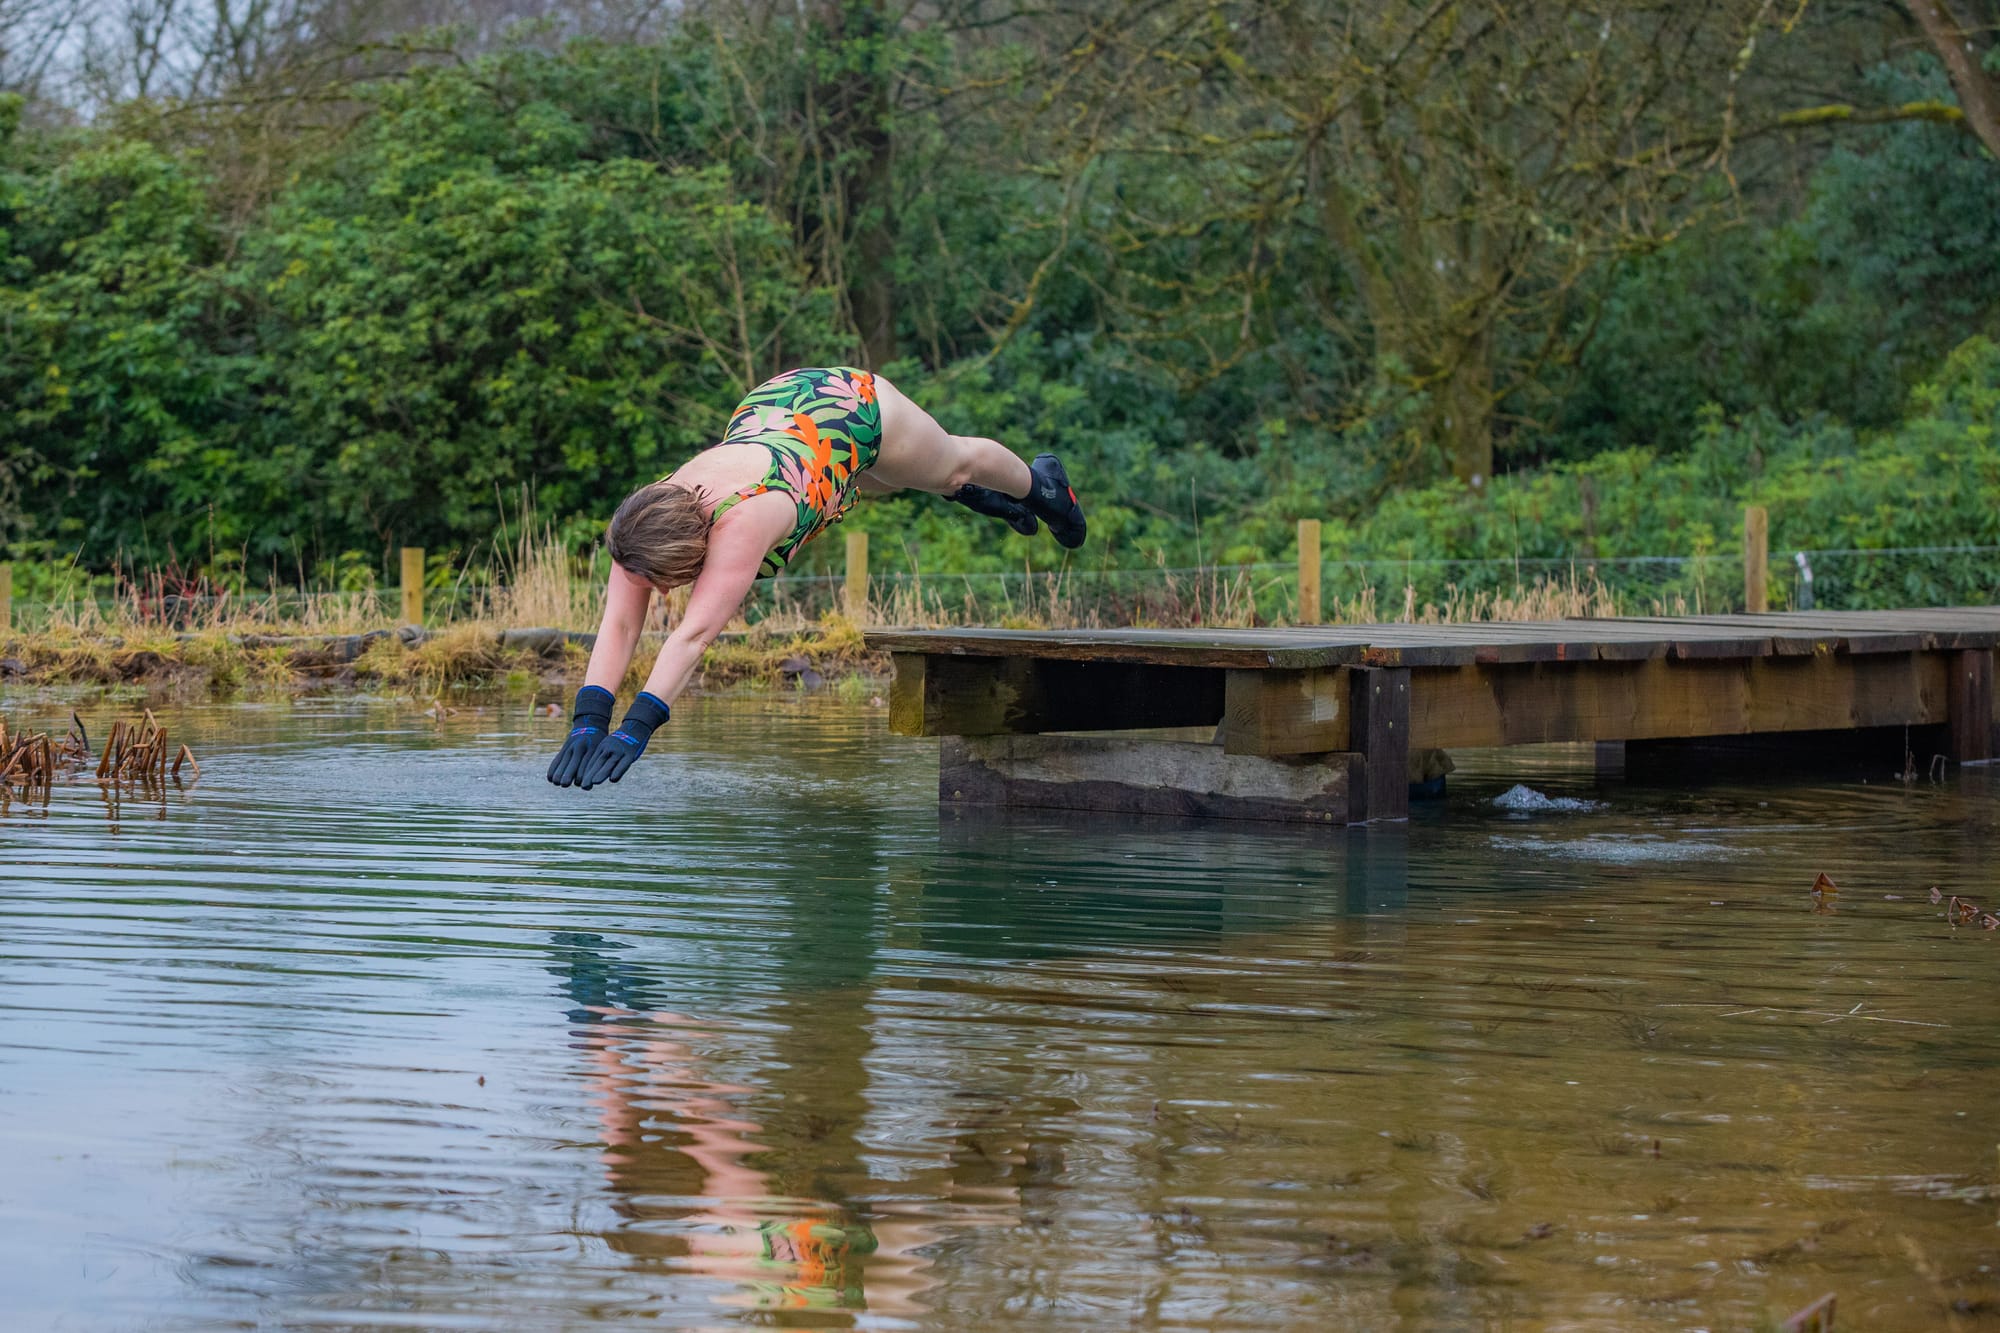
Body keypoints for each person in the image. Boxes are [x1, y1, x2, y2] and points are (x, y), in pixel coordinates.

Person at [546, 365, 1087, 790]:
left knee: (950, 465)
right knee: (880, 479)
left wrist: (638, 728)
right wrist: (589, 719)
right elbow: (617, 626)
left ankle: (1041, 487)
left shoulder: (744, 522)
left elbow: (693, 635)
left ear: (694, 548)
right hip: (772, 416)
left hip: (843, 408)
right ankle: (979, 498)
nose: (660, 592)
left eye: (665, 581)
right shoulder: (640, 523)